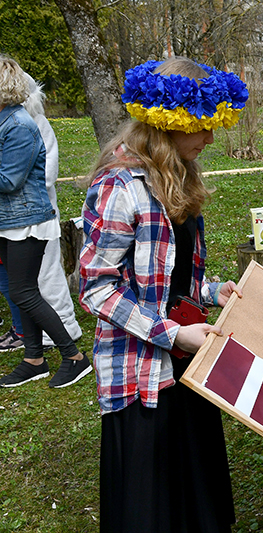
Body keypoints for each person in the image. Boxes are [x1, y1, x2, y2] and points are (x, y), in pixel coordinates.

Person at [79, 56, 247, 533]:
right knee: (152, 507)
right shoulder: (120, 187)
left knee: (195, 496)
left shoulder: (178, 175)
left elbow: (170, 279)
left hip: (186, 359)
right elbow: (97, 288)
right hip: (143, 372)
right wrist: (173, 334)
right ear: (173, 122)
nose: (211, 139)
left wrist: (214, 291)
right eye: (204, 126)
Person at [0, 56, 90, 388]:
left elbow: (10, 179)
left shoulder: (21, 125)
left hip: (28, 221)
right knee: (18, 288)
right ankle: (34, 360)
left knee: (25, 292)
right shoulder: (4, 122)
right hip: (9, 221)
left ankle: (74, 357)